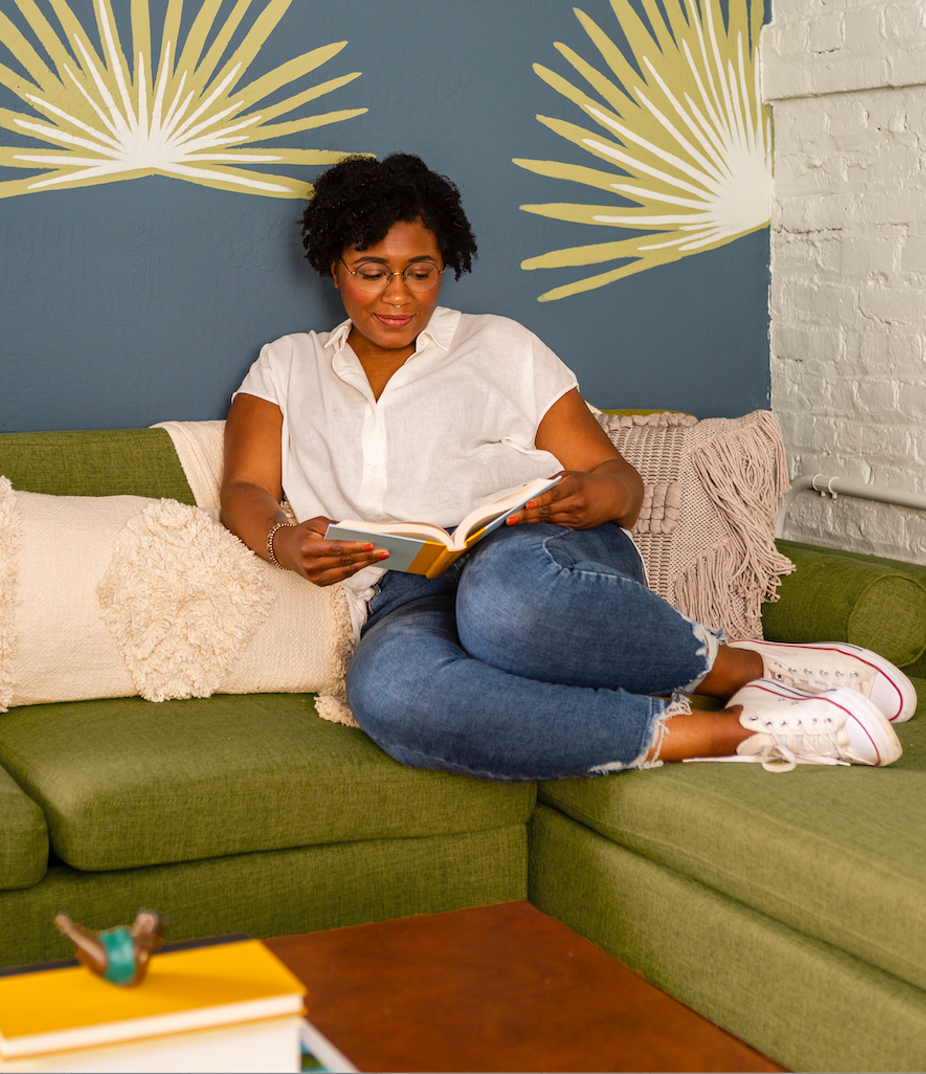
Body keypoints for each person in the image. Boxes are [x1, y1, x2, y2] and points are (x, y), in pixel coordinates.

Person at [221, 154, 914, 778]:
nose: (398, 297)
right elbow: (247, 488)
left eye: (420, 272)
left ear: (446, 264)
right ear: (334, 268)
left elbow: (623, 484)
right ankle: (735, 731)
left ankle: (744, 665)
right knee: (389, 691)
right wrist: (283, 542)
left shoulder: (499, 346)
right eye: (372, 273)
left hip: (538, 560)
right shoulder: (287, 365)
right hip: (405, 594)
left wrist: (592, 495)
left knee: (499, 605)